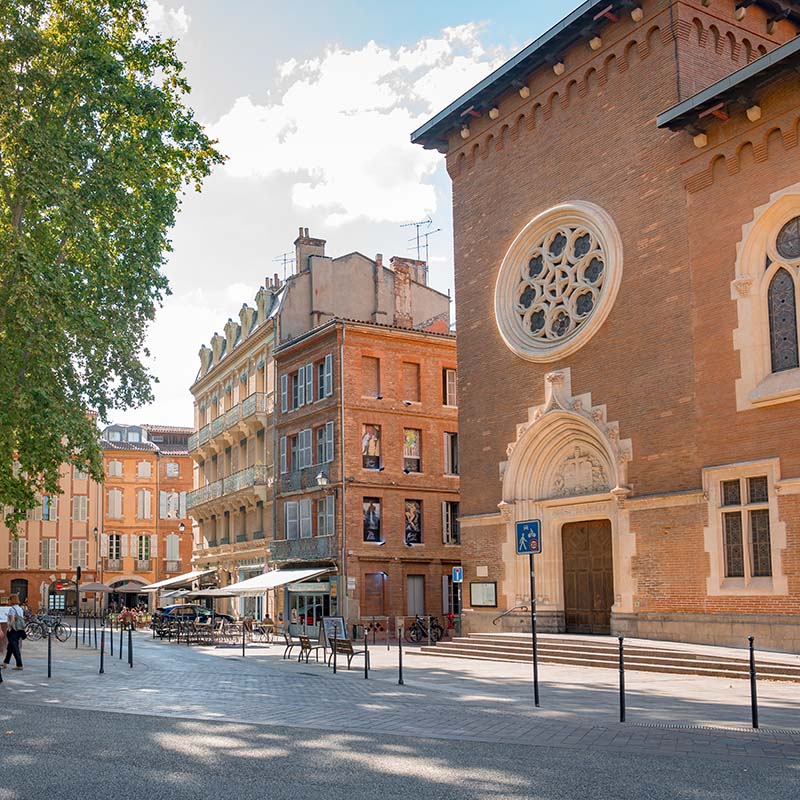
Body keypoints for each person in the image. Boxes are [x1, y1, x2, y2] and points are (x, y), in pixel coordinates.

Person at [3, 594, 25, 670]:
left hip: (13, 630)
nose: (8, 601)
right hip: (19, 630)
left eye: (9, 599)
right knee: (10, 647)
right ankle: (5, 662)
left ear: (11, 600)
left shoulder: (12, 609)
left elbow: (12, 620)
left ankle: (19, 665)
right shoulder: (20, 608)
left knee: (15, 647)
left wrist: (9, 628)